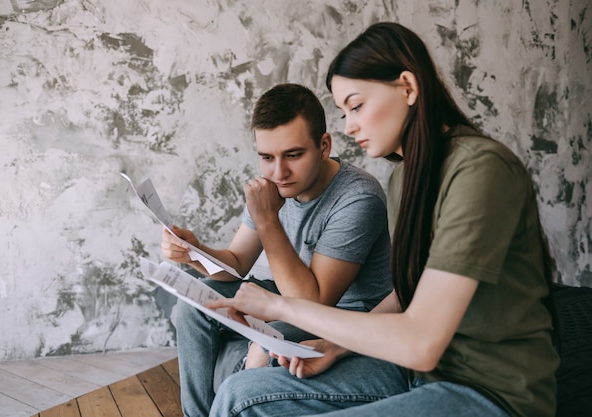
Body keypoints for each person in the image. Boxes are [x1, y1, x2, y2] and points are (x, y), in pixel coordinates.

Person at [207, 22, 560, 417]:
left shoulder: (480, 170)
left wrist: (280, 307)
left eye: (356, 106)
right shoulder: (406, 176)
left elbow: (422, 341)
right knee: (241, 395)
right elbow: (411, 291)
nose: (347, 126)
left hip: (487, 391)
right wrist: (336, 346)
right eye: (343, 112)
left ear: (408, 88)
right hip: (417, 372)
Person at [161, 83, 392, 416]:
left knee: (262, 347)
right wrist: (193, 251)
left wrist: (268, 219)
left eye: (293, 155)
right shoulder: (273, 185)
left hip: (341, 312)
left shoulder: (358, 199)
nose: (279, 172)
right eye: (267, 158)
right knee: (192, 308)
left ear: (324, 146)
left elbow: (313, 304)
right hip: (287, 295)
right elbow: (237, 262)